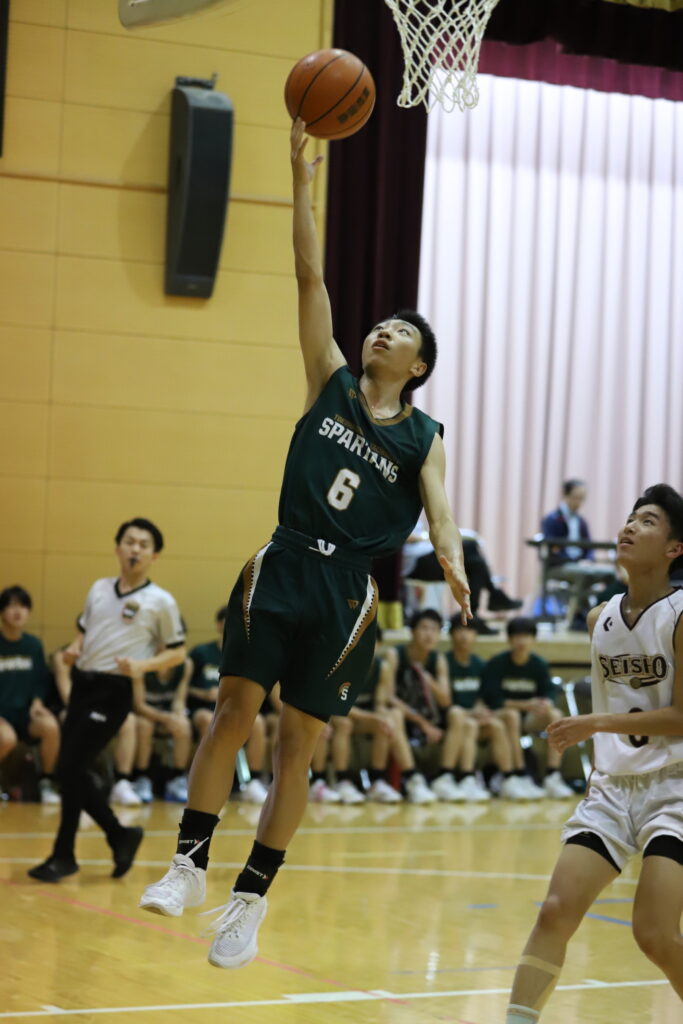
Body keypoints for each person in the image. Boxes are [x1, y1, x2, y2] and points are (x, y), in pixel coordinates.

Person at [139, 117, 471, 970]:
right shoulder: (328, 379)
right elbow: (309, 273)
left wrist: (453, 561)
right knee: (231, 713)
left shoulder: (424, 436)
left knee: (298, 747)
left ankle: (248, 905)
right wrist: (299, 180)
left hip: (349, 591)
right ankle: (188, 865)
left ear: (419, 366)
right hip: (283, 562)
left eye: (399, 333)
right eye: (379, 326)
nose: (381, 333)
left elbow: (438, 511)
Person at [504, 484, 683, 1023]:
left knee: (654, 933)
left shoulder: (680, 615)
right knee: (555, 911)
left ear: (674, 548)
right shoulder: (598, 618)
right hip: (612, 787)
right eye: (631, 518)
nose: (630, 526)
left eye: (648, 521)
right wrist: (601, 743)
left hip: (674, 787)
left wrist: (595, 723)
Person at [28, 518, 186, 883]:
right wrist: (74, 650)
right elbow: (84, 633)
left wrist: (142, 665)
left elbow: (177, 652)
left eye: (143, 544)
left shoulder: (161, 602)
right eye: (129, 541)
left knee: (69, 767)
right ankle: (74, 852)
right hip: (83, 684)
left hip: (114, 691)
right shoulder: (99, 588)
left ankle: (110, 837)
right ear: (117, 548)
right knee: (72, 770)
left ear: (154, 555)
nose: (135, 549)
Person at [391, 609, 478, 802]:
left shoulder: (438, 660)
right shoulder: (395, 655)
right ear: (412, 631)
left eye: (434, 630)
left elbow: (446, 701)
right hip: (407, 720)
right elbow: (387, 697)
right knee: (393, 714)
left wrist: (427, 679)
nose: (429, 634)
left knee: (457, 713)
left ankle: (444, 777)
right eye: (424, 628)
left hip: (433, 720)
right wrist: (422, 724)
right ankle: (412, 779)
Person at [481, 618, 572, 799]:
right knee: (512, 715)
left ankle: (552, 775)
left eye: (526, 636)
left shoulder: (539, 664)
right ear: (509, 639)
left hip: (530, 717)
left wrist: (546, 703)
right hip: (503, 715)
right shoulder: (498, 663)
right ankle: (519, 774)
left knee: (556, 715)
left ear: (533, 639)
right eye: (517, 636)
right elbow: (493, 700)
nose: (522, 641)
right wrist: (525, 704)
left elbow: (549, 692)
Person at [187, 607, 269, 805]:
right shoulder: (201, 653)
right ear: (218, 625)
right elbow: (184, 688)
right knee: (208, 721)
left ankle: (252, 781)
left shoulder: (246, 655)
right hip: (203, 708)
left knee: (258, 722)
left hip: (234, 708)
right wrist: (203, 693)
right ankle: (208, 781)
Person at [446, 617, 530, 801]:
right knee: (464, 720)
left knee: (498, 724)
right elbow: (446, 704)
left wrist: (481, 711)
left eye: (469, 631)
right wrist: (472, 713)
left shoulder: (480, 664)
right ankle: (461, 777)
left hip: (473, 718)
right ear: (451, 634)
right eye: (459, 630)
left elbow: (483, 698)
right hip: (452, 721)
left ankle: (509, 778)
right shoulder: (444, 662)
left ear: (476, 635)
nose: (464, 635)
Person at [403, 522, 521, 634]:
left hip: (426, 554)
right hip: (413, 563)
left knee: (475, 562)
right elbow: (402, 537)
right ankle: (479, 609)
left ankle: (474, 614)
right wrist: (427, 537)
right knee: (471, 550)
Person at [0, 586, 60, 804]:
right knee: (6, 738)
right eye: (11, 606)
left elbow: (40, 680)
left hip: (25, 715)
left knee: (50, 727)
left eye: (23, 606)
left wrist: (36, 702)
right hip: (2, 715)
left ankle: (46, 782)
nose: (18, 611)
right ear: (2, 612)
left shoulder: (33, 645)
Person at [541, 479, 615, 628]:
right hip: (558, 566)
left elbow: (589, 547)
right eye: (576, 497)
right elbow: (553, 550)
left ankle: (608, 614)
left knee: (610, 574)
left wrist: (588, 559)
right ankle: (579, 614)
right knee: (584, 574)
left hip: (582, 565)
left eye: (582, 498)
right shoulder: (552, 519)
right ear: (565, 496)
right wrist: (575, 562)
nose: (579, 502)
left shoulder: (581, 521)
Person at [134, 658, 192, 804]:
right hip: (144, 714)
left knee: (183, 725)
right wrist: (164, 717)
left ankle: (177, 778)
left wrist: (177, 715)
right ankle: (142, 778)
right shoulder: (141, 662)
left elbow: (179, 700)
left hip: (166, 715)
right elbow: (138, 705)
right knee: (144, 725)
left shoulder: (185, 665)